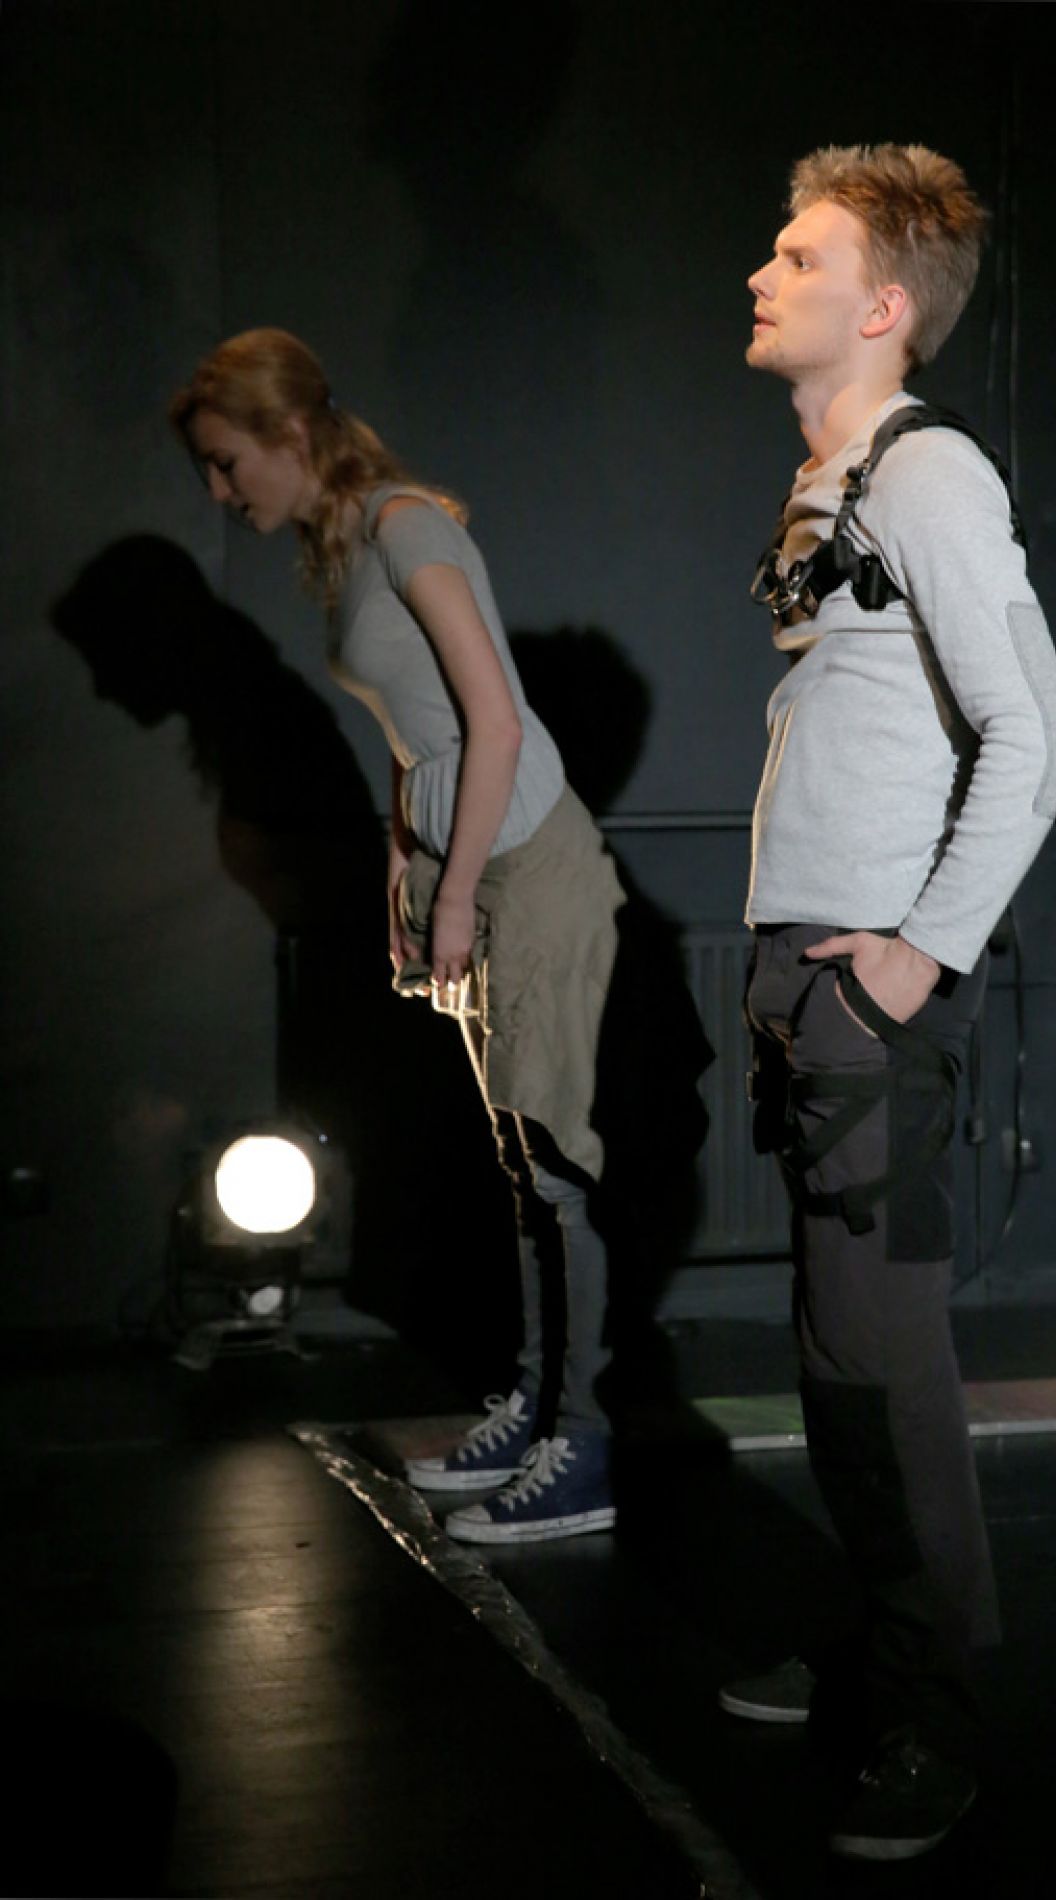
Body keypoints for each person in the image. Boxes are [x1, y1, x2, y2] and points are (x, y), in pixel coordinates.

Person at [727, 145, 1056, 1860]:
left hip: (869, 982)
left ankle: (934, 1711)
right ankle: (881, 1641)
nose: (759, 275)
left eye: (797, 258)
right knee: (833, 1356)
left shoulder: (927, 471)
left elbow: (1042, 734)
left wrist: (915, 954)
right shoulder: (834, 476)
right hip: (807, 969)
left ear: (881, 307)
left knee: (884, 1362)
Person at [169, 328, 625, 1543]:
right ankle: (537, 1406)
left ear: (289, 433)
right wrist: (403, 864)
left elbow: (496, 722)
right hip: (467, 864)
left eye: (227, 462)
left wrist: (458, 886)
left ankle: (584, 1445)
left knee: (555, 1163)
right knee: (521, 1167)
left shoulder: (407, 526)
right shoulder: (347, 547)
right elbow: (415, 728)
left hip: (530, 865)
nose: (221, 491)